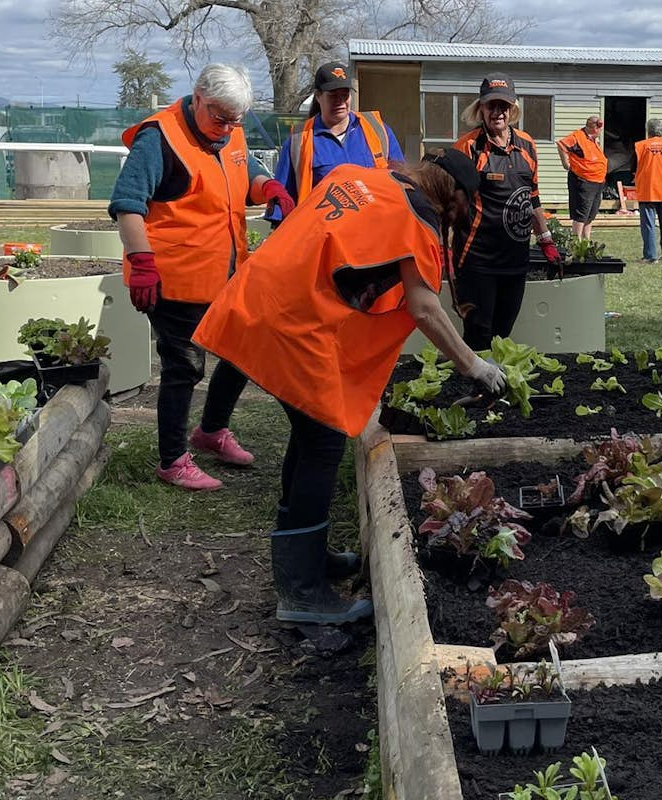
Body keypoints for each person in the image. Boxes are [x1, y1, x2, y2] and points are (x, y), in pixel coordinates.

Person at [193, 151, 506, 626]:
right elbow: (424, 309)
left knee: (308, 432)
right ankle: (302, 593)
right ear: (453, 194)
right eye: (463, 207)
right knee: (323, 439)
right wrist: (474, 366)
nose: (458, 218)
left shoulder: (355, 177)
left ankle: (308, 554)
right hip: (293, 322)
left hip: (259, 297)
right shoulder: (415, 216)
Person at [111, 64, 296, 491]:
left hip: (224, 274)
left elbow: (244, 168)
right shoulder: (159, 138)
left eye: (236, 120)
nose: (227, 128)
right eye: (219, 117)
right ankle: (172, 460)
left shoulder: (228, 131)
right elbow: (127, 203)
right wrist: (141, 262)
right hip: (172, 278)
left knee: (242, 350)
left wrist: (268, 186)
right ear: (197, 97)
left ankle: (211, 432)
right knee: (185, 367)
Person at [452, 73, 560, 349]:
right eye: (491, 106)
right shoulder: (467, 148)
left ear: (512, 109)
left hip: (515, 259)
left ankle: (496, 391)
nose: (498, 112)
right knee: (478, 337)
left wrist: (546, 239)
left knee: (502, 336)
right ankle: (474, 390)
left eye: (503, 106)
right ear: (481, 109)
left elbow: (532, 198)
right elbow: (448, 207)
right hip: (477, 261)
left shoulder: (527, 145)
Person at [268, 61, 404, 224]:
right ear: (318, 96)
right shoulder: (299, 139)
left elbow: (401, 186)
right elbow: (283, 202)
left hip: (375, 232)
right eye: (333, 96)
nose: (340, 102)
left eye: (344, 95)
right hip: (322, 237)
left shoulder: (378, 130)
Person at [634, 118, 662, 263]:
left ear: (648, 131)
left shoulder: (640, 146)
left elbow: (632, 168)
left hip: (648, 190)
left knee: (648, 225)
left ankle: (650, 256)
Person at [557, 115, 608, 240]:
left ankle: (586, 241)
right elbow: (562, 145)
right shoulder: (578, 136)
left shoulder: (593, 140)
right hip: (583, 182)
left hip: (597, 182)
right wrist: (566, 163)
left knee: (590, 215)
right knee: (581, 214)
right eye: (599, 128)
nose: (601, 131)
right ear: (594, 128)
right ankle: (576, 242)